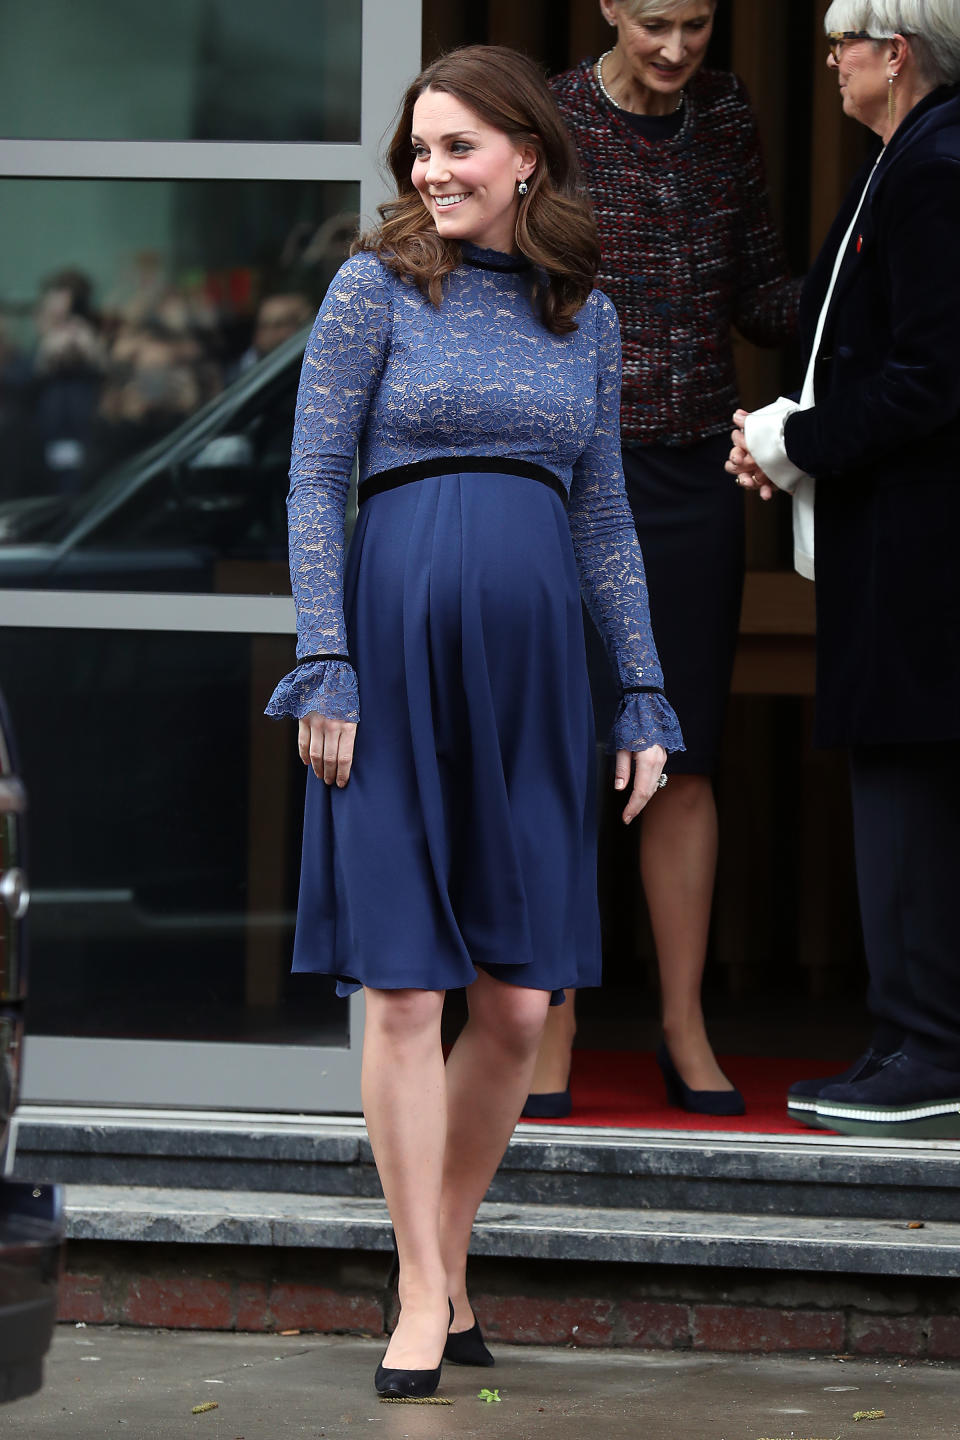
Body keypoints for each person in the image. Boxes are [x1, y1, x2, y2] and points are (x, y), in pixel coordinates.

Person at [265, 45, 683, 1397]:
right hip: (388, 662)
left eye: (457, 148)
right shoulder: (373, 287)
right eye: (420, 151)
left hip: (534, 681)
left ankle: (446, 1258)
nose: (431, 173)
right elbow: (314, 477)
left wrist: (643, 689)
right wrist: (323, 662)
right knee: (403, 984)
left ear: (526, 159)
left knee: (516, 1000)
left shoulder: (585, 311)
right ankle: (417, 1289)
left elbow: (606, 514)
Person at [524, 0, 799, 1120]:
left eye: (695, 22)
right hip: (573, 470)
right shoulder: (548, 113)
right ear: (608, 9)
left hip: (693, 478)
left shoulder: (729, 115)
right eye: (653, 24)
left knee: (679, 751)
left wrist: (865, 281)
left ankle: (684, 1026)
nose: (678, 49)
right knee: (564, 744)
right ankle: (550, 1017)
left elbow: (762, 295)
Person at [728, 0, 960, 1140]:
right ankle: (908, 1031)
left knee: (910, 794)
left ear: (895, 52)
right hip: (898, 544)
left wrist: (791, 443)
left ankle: (930, 1048)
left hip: (924, 556)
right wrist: (790, 430)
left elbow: (932, 379)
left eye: (841, 44)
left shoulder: (938, 168)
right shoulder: (906, 158)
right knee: (899, 790)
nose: (827, 62)